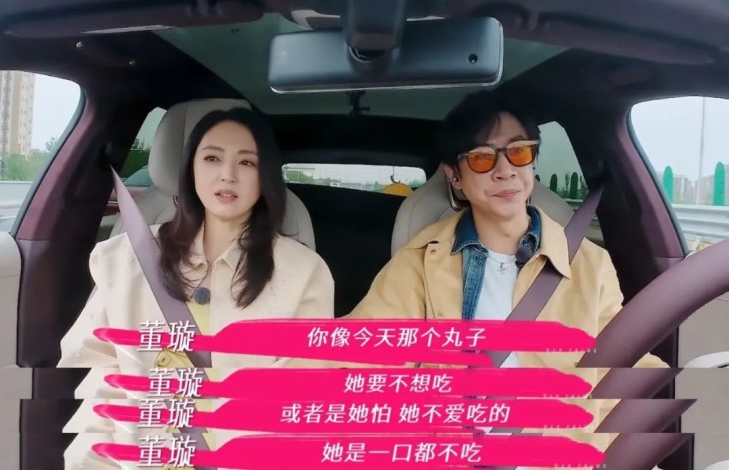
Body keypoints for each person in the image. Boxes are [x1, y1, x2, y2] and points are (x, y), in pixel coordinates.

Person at [344, 90, 668, 468]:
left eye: (518, 152)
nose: (505, 170)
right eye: (482, 158)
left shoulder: (588, 264)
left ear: (532, 161)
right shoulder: (419, 262)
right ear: (455, 176)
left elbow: (622, 372)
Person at [58, 107, 335, 468]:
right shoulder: (127, 258)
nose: (228, 174)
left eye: (246, 162)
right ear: (190, 169)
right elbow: (101, 390)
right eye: (212, 158)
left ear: (265, 175)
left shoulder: (303, 273)